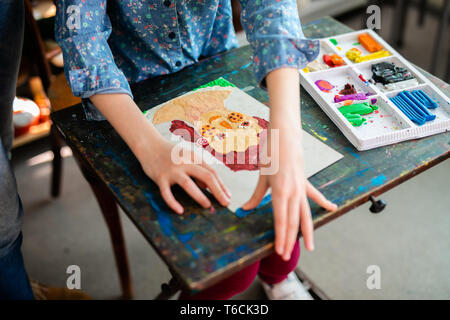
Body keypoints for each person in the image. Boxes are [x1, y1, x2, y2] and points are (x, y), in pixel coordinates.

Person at [55, 0, 337, 299]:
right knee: (229, 268)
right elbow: (83, 42)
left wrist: (285, 142)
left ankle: (278, 278)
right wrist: (150, 148)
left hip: (216, 70)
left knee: (281, 220)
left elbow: (273, 10)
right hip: (131, 104)